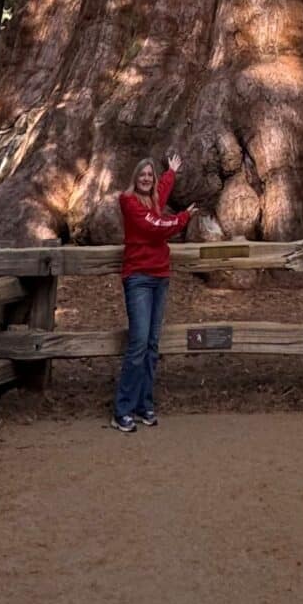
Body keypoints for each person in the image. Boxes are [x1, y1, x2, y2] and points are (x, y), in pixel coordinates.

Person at [112, 151, 193, 431]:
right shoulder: (129, 202)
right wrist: (183, 218)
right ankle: (122, 409)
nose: (147, 179)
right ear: (135, 179)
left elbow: (162, 189)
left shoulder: (154, 197)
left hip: (160, 276)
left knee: (152, 345)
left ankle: (144, 404)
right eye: (142, 175)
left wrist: (171, 171)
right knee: (138, 343)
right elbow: (154, 227)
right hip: (139, 278)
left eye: (150, 175)